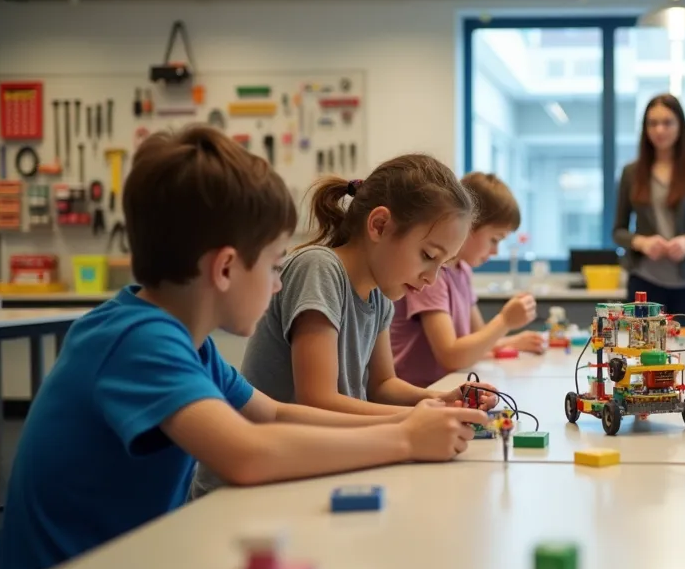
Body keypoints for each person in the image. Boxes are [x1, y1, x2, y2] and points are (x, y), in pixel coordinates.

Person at [0, 127, 487, 569]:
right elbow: (246, 453)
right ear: (226, 268)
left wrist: (418, 419)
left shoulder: (189, 344)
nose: (277, 283)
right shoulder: (136, 339)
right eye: (272, 265)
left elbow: (273, 412)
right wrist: (403, 437)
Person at [190, 153, 498, 499]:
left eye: (443, 265)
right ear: (379, 225)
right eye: (428, 256)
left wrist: (438, 402)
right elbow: (317, 399)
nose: (431, 278)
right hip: (255, 480)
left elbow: (383, 384)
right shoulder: (319, 270)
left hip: (311, 462)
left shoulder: (381, 295)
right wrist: (410, 425)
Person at [392, 171, 544, 387]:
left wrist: (513, 341)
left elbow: (478, 339)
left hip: (444, 387)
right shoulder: (433, 274)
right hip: (418, 393)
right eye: (494, 239)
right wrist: (505, 321)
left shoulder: (461, 271)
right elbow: (451, 357)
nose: (494, 251)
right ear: (468, 225)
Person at [613, 93, 685, 331]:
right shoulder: (631, 173)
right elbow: (618, 231)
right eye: (653, 123)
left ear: (680, 126)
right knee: (642, 353)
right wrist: (641, 242)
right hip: (645, 281)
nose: (660, 130)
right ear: (645, 128)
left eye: (667, 122)